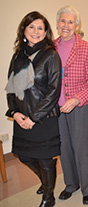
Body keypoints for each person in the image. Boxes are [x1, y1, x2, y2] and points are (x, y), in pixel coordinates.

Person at [5, 11, 61, 207]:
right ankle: (47, 182)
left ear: (46, 32)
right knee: (24, 156)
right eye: (31, 27)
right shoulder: (18, 56)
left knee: (45, 159)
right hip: (22, 115)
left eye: (40, 28)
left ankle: (48, 196)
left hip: (43, 117)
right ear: (24, 30)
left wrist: (34, 117)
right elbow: (10, 86)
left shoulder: (51, 55)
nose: (35, 31)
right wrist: (14, 112)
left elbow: (54, 91)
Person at [54, 5, 88, 205]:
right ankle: (71, 184)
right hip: (57, 107)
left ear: (77, 25)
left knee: (81, 148)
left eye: (70, 22)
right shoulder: (50, 47)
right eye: (63, 21)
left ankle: (87, 189)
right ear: (57, 24)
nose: (66, 25)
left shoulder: (87, 47)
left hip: (80, 106)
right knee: (63, 148)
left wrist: (75, 99)